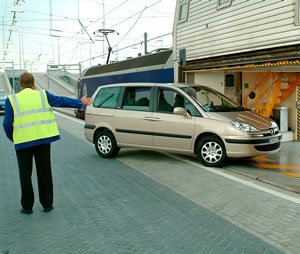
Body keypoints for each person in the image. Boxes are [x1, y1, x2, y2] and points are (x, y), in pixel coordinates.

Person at [2, 72, 93, 214]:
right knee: (44, 172)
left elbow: (7, 124)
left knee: (25, 175)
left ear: (20, 85)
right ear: (33, 84)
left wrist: (14, 137)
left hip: (23, 143)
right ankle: (47, 204)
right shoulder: (43, 95)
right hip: (43, 140)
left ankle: (27, 207)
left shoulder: (11, 100)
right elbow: (61, 101)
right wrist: (81, 102)